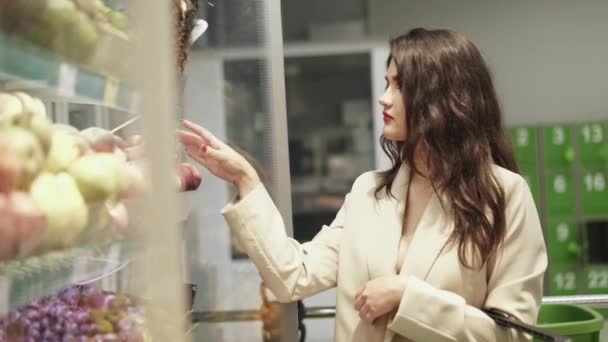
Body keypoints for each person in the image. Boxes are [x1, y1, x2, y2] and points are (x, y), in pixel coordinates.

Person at [178, 28, 548, 342]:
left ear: (442, 98)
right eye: (387, 83)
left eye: (399, 86)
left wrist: (407, 297)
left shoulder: (504, 196)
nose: (383, 98)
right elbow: (293, 275)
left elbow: (513, 334)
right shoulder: (368, 193)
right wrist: (245, 178)